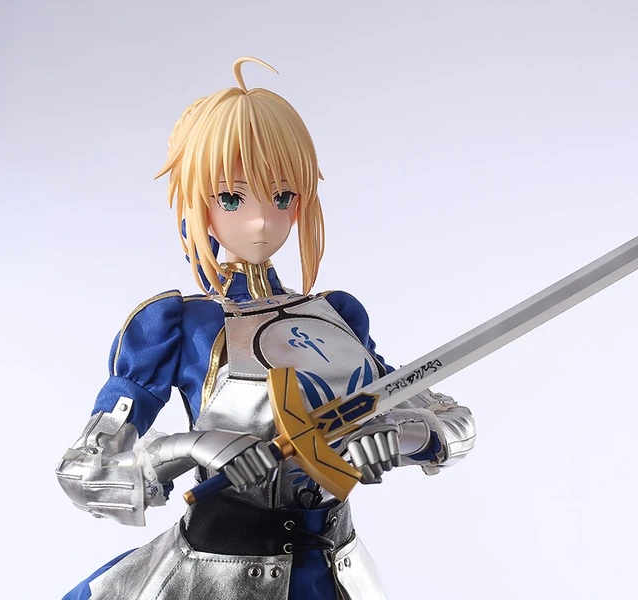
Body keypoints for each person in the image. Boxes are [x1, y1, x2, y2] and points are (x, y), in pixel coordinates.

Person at [56, 56, 477, 600]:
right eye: (232, 197)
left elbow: (452, 420)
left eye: (282, 197)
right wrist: (190, 447)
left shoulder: (336, 315)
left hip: (335, 572)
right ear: (199, 201)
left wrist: (406, 434)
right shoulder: (179, 327)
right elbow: (85, 473)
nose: (260, 219)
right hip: (217, 576)